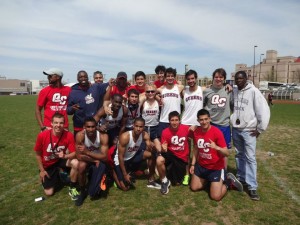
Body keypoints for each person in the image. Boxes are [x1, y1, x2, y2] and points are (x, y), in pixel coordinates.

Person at [231, 71, 270, 201]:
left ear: (246, 79)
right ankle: (241, 179)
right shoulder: (235, 90)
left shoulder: (253, 91)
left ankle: (252, 186)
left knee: (250, 158)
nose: (238, 80)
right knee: (239, 155)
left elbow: (263, 110)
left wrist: (260, 129)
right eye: (237, 79)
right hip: (236, 129)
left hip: (249, 130)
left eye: (241, 78)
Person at [190, 109, 243, 201]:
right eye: (201, 120)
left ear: (210, 119)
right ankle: (210, 182)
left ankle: (228, 183)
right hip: (202, 166)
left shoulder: (217, 132)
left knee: (215, 197)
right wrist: (193, 164)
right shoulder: (196, 131)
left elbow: (227, 153)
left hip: (215, 168)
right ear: (198, 121)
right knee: (194, 187)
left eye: (206, 119)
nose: (204, 122)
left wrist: (217, 148)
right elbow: (195, 149)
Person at [33, 112, 79, 199]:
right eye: (56, 123)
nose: (58, 125)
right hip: (48, 164)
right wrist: (42, 170)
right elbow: (38, 154)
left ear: (64, 124)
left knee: (76, 163)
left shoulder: (68, 135)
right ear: (51, 123)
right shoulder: (42, 135)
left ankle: (72, 187)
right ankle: (59, 175)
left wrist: (65, 156)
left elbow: (74, 153)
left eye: (61, 123)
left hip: (60, 160)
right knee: (49, 192)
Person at [110, 118, 160, 191]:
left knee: (151, 155)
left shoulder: (144, 135)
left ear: (144, 127)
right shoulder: (125, 137)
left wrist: (155, 147)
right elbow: (120, 157)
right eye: (136, 126)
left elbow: (150, 147)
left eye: (140, 127)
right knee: (125, 188)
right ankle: (114, 172)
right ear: (133, 126)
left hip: (132, 156)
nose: (138, 129)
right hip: (120, 160)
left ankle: (151, 179)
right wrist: (125, 175)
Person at [74, 117, 109, 206]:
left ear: (96, 126)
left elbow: (105, 157)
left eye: (93, 127)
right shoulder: (80, 136)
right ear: (84, 127)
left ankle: (100, 183)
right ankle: (82, 191)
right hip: (91, 159)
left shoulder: (102, 136)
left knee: (94, 192)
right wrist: (94, 160)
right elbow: (79, 156)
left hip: (98, 159)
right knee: (81, 167)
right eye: (88, 127)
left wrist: (87, 152)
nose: (90, 129)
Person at [203, 68, 233, 169]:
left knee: (224, 151)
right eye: (216, 77)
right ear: (213, 78)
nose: (218, 79)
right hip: (211, 125)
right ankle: (210, 171)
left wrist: (229, 85)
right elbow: (203, 106)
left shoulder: (228, 90)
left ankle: (223, 173)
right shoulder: (207, 91)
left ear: (224, 79)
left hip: (224, 125)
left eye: (221, 77)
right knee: (209, 150)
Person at [67, 70, 109, 137]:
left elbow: (109, 84)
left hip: (92, 125)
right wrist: (72, 109)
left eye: (85, 77)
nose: (83, 78)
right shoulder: (73, 92)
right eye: (81, 77)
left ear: (88, 78)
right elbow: (68, 110)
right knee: (79, 145)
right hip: (79, 125)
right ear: (78, 79)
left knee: (93, 145)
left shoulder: (95, 87)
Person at [156, 111, 190, 195]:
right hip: (171, 156)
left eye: (176, 120)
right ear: (169, 121)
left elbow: (196, 135)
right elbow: (164, 149)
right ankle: (164, 180)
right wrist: (163, 149)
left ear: (179, 120)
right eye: (172, 120)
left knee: (177, 183)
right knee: (159, 159)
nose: (174, 122)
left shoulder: (186, 128)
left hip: (181, 159)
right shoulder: (165, 132)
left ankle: (171, 174)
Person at [180, 69, 204, 186]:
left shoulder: (202, 90)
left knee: (198, 150)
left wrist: (227, 87)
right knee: (186, 151)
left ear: (196, 78)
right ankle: (186, 175)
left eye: (192, 78)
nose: (190, 81)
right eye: (188, 79)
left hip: (198, 124)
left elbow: (215, 87)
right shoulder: (184, 92)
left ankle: (196, 172)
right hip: (185, 123)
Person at [157, 67, 184, 137]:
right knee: (163, 143)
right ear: (165, 77)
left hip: (175, 121)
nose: (170, 78)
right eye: (168, 76)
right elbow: (151, 93)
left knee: (175, 143)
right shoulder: (161, 89)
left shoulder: (179, 87)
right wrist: (158, 98)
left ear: (175, 77)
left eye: (172, 76)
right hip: (164, 120)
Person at [141, 85, 162, 153]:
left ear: (155, 92)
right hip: (145, 127)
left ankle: (158, 158)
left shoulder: (158, 102)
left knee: (158, 148)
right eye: (148, 91)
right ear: (145, 93)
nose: (150, 93)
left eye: (152, 91)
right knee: (147, 147)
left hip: (155, 127)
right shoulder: (143, 102)